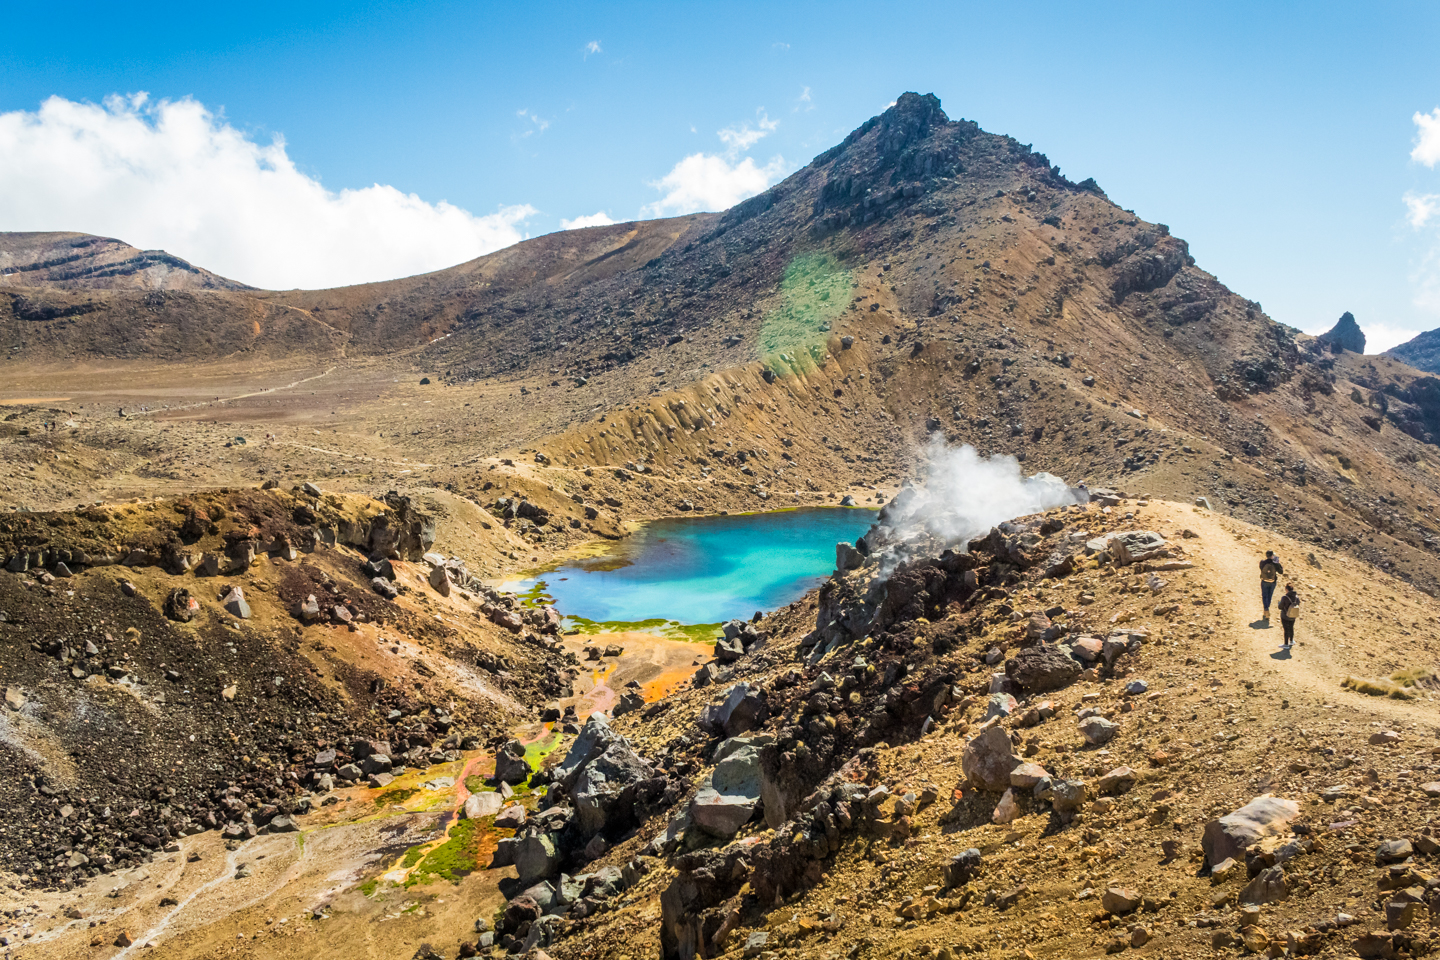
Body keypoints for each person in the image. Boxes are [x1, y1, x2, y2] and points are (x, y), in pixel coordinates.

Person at [1259, 550, 1283, 619]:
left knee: (1264, 595)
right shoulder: (1275, 563)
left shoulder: (1262, 562)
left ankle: (1265, 610)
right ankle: (1267, 609)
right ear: (1272, 555)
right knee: (1269, 595)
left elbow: (1261, 568)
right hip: (1272, 582)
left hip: (1264, 581)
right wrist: (1277, 563)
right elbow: (1281, 572)